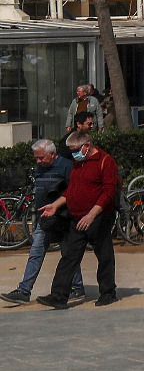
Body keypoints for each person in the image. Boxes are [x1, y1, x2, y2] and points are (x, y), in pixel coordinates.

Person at [35, 131, 120, 309]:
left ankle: (108, 292)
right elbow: (71, 191)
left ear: (86, 146)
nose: (72, 154)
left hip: (99, 217)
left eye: (75, 150)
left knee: (104, 255)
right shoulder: (78, 163)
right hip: (77, 217)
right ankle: (59, 295)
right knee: (69, 257)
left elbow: (108, 192)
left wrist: (92, 215)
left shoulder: (106, 161)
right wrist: (55, 205)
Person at [2, 139, 82, 305]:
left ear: (52, 154)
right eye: (36, 158)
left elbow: (74, 191)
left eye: (41, 158)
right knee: (35, 253)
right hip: (44, 220)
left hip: (63, 218)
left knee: (68, 254)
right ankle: (24, 291)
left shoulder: (67, 166)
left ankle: (77, 287)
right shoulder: (41, 168)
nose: (38, 161)